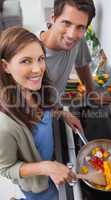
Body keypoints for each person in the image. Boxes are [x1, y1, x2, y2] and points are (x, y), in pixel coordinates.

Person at [0, 26, 83, 200]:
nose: (38, 69)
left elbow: (48, 109)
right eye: (26, 61)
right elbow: (6, 169)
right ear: (5, 66)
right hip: (38, 186)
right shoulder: (4, 123)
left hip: (53, 164)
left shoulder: (36, 88)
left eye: (40, 59)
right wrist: (46, 167)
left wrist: (63, 114)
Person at [38, 0, 111, 105]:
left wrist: (91, 93)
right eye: (66, 23)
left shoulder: (77, 40)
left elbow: (82, 65)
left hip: (55, 105)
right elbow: (22, 101)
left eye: (80, 27)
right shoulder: (31, 54)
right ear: (53, 18)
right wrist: (60, 113)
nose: (71, 35)